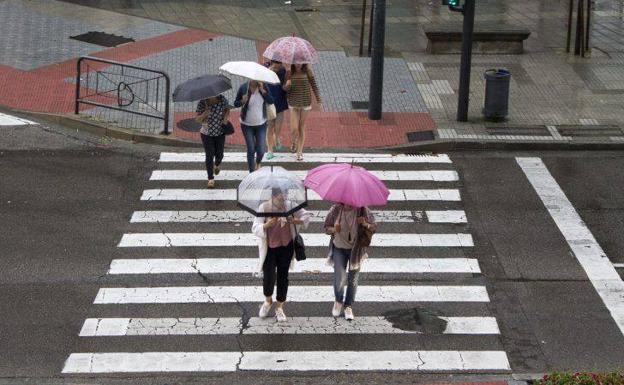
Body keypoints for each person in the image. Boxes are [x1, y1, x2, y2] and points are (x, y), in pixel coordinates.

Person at [252, 188, 310, 322]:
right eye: (280, 196)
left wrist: (295, 221)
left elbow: (306, 215)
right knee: (268, 278)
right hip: (270, 249)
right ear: (273, 196)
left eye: (285, 194)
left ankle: (279, 307)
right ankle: (268, 301)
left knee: (283, 277)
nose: (283, 198)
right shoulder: (264, 207)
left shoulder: (290, 206)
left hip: (286, 247)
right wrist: (266, 225)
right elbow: (255, 227)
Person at [324, 203, 376, 320]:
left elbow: (374, 227)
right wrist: (334, 229)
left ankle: (348, 306)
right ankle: (338, 301)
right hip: (338, 248)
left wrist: (365, 224)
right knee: (339, 277)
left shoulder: (362, 210)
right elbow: (326, 228)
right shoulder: (335, 210)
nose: (349, 203)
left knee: (353, 279)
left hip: (356, 251)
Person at [234, 80, 274, 173]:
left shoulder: (264, 87)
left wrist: (263, 92)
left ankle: (258, 162)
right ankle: (251, 173)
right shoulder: (244, 88)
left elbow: (271, 101)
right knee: (251, 148)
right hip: (246, 125)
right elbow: (236, 103)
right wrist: (242, 101)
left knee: (261, 150)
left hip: (261, 124)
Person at [284, 64, 322, 161]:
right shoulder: (289, 72)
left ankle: (299, 152)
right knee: (294, 129)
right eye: (296, 61)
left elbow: (314, 86)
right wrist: (287, 86)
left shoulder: (308, 71)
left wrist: (319, 100)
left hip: (305, 102)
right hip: (294, 103)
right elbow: (284, 89)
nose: (298, 64)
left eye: (300, 62)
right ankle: (293, 142)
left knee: (301, 127)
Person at [195, 94, 230, 188]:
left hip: (220, 132)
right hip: (206, 134)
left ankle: (217, 164)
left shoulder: (222, 99)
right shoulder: (203, 102)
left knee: (220, 154)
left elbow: (227, 109)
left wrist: (225, 119)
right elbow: (197, 119)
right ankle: (210, 178)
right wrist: (204, 114)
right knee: (209, 155)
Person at [264, 60, 289, 160]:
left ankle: (277, 138)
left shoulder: (283, 71)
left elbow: (284, 88)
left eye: (279, 67)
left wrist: (287, 87)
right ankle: (270, 150)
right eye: (276, 67)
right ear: (272, 63)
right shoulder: (265, 71)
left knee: (278, 128)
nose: (277, 69)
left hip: (280, 102)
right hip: (269, 103)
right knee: (270, 127)